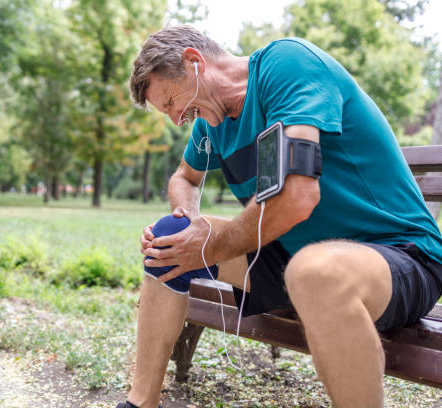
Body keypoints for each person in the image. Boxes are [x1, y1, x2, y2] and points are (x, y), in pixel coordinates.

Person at [114, 25, 442, 408]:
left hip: (399, 257)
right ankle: (140, 403)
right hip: (293, 255)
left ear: (194, 62)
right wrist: (189, 219)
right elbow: (184, 178)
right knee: (168, 239)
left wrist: (210, 245)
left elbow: (295, 198)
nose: (175, 119)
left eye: (171, 101)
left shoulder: (286, 65)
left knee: (314, 272)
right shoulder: (210, 125)